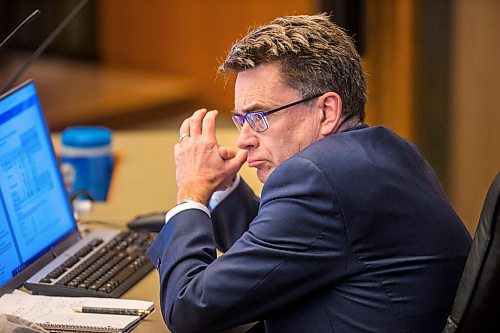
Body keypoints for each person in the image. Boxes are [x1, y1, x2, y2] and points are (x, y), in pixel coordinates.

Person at [147, 13, 471, 333]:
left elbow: (188, 309)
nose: (244, 140)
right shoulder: (387, 152)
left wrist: (191, 193)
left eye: (259, 116)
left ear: (327, 112)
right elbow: (281, 251)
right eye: (240, 120)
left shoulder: (317, 178)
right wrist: (221, 186)